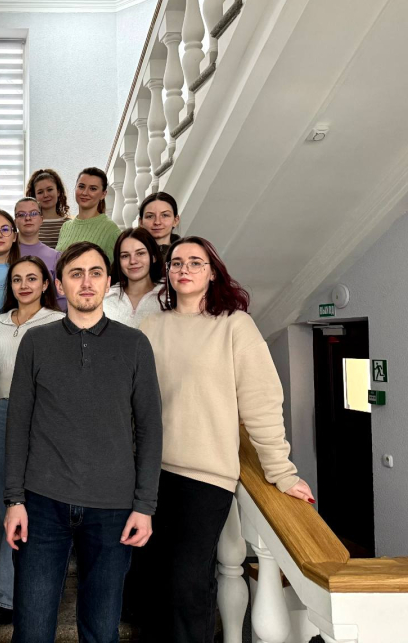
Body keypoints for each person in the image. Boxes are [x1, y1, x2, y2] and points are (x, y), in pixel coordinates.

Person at [139, 237, 314, 643]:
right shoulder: (150, 326)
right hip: (149, 474)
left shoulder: (235, 325)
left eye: (195, 262)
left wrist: (282, 472)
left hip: (205, 477)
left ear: (213, 273)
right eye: (176, 262)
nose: (184, 269)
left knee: (188, 582)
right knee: (152, 581)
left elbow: (262, 403)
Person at [4, 241, 162, 643]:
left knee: (102, 631)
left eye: (95, 273)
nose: (86, 282)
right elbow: (18, 424)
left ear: (108, 282)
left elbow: (149, 429)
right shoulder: (36, 342)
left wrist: (144, 506)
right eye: (76, 274)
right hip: (42, 503)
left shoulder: (135, 345)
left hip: (113, 507)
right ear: (60, 285)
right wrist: (14, 499)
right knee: (32, 630)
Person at [0, 256, 63, 626]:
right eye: (17, 279)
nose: (24, 285)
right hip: (0, 416)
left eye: (32, 278)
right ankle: (5, 594)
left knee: (36, 507)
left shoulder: (58, 322)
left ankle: (28, 595)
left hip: (43, 419)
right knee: (6, 504)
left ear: (46, 284)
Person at [104, 227, 164, 329]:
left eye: (140, 253)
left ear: (153, 257)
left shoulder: (169, 296)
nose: (133, 261)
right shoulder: (106, 297)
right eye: (125, 256)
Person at [56, 168, 122, 258]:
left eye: (93, 189)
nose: (85, 193)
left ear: (103, 194)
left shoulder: (111, 230)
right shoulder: (65, 227)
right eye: (81, 187)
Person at [14, 196, 64, 310]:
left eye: (33, 213)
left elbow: (62, 298)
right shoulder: (5, 253)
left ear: (41, 219)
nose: (28, 218)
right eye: (21, 214)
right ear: (15, 221)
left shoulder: (55, 256)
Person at [27, 169, 70, 249]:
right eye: (40, 192)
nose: (45, 195)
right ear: (34, 196)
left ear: (58, 192)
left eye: (49, 190)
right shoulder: (29, 224)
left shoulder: (69, 225)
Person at [138, 191, 181, 259]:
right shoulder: (131, 253)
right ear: (141, 222)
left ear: (176, 220)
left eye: (165, 215)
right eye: (150, 216)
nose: (157, 222)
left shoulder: (187, 253)